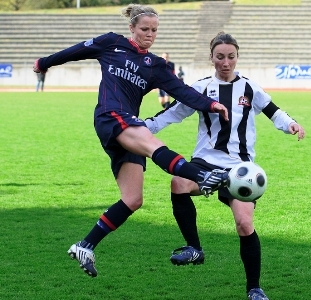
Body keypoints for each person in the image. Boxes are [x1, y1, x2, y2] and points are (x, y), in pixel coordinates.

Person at [32, 4, 231, 278]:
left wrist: (211, 105)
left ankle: (85, 245)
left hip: (127, 127)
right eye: (145, 29)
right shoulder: (110, 43)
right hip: (110, 116)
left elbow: (183, 92)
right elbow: (75, 51)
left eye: (154, 30)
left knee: (133, 199)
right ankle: (205, 176)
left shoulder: (156, 66)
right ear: (132, 28)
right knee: (152, 143)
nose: (150, 34)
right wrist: (44, 63)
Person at [145, 32, 305, 300]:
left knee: (244, 224)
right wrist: (142, 127)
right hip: (205, 162)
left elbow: (273, 111)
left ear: (237, 57)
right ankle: (194, 248)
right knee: (178, 183)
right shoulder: (201, 88)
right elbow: (173, 112)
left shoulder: (249, 88)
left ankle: (254, 288)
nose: (225, 62)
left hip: (240, 169)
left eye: (231, 57)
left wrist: (290, 124)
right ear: (211, 58)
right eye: (220, 57)